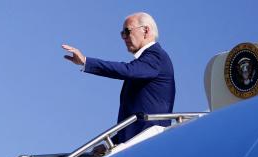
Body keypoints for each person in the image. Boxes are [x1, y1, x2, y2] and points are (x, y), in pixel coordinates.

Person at [62, 12, 176, 147]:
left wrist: (86, 61)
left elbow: (128, 70)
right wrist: (111, 144)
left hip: (149, 142)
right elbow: (135, 116)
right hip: (136, 141)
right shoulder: (144, 64)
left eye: (127, 32)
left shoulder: (155, 56)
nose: (124, 37)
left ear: (146, 30)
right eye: (122, 34)